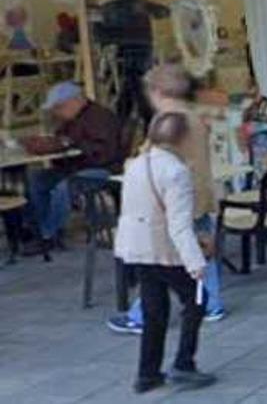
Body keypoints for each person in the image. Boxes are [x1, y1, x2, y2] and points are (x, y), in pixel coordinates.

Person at [109, 65, 225, 334]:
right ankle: (212, 302)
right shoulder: (195, 117)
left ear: (157, 91)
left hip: (176, 197)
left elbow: (150, 159)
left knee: (157, 258)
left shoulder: (167, 121)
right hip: (201, 191)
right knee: (204, 251)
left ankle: (141, 314)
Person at [113, 112, 216, 394]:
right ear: (183, 139)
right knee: (197, 299)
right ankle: (184, 363)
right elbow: (179, 224)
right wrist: (196, 262)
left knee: (154, 309)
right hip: (163, 247)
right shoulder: (175, 171)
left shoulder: (136, 164)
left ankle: (147, 374)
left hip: (135, 246)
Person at [27, 82, 125, 254]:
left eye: (59, 107)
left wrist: (72, 145)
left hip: (104, 168)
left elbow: (105, 152)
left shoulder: (101, 117)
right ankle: (43, 227)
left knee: (63, 189)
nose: (57, 112)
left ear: (75, 101)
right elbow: (62, 139)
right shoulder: (72, 119)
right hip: (77, 166)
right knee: (37, 179)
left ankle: (47, 236)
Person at [100, 0, 170, 127]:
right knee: (138, 85)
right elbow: (164, 12)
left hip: (122, 51)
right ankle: (147, 119)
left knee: (131, 85)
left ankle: (123, 118)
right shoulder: (140, 6)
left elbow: (99, 25)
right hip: (139, 50)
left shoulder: (111, 7)